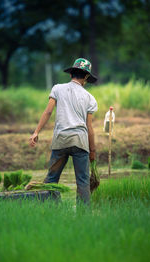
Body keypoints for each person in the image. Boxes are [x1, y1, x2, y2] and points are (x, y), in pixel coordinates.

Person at [29, 58, 98, 205]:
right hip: (80, 141)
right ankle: (84, 214)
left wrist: (36, 132)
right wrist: (92, 151)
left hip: (60, 139)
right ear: (86, 77)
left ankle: (48, 209)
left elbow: (47, 112)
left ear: (71, 73)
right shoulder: (90, 98)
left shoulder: (57, 88)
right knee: (82, 181)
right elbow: (89, 128)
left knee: (52, 178)